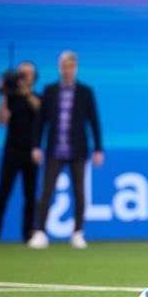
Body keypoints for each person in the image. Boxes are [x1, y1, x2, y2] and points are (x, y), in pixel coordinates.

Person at [28, 50, 104, 249]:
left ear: (75, 68)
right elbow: (40, 122)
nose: (67, 70)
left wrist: (98, 148)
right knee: (47, 191)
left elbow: (93, 121)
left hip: (78, 150)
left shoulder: (85, 92)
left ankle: (78, 232)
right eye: (64, 66)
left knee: (79, 192)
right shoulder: (50, 90)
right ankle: (40, 232)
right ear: (59, 68)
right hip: (55, 149)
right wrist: (36, 146)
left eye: (70, 66)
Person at [0, 61, 41, 243]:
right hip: (11, 151)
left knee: (30, 194)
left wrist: (27, 93)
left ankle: (28, 233)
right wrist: (4, 94)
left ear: (34, 77)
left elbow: (40, 111)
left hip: (32, 151)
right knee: (3, 192)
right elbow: (2, 120)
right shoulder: (10, 99)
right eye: (21, 74)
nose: (25, 77)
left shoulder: (37, 97)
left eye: (28, 74)